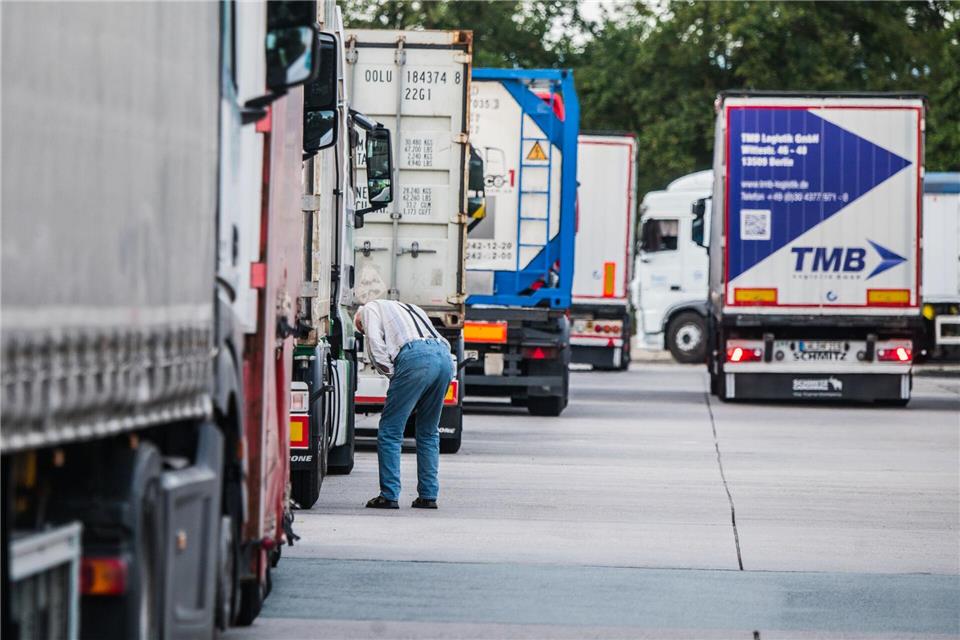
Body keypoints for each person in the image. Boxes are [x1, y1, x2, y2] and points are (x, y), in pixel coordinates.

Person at [354, 299, 453, 509]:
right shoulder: (412, 307)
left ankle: (388, 495)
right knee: (428, 431)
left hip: (414, 358)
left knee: (390, 431)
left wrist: (395, 377)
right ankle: (428, 496)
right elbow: (439, 339)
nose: (363, 331)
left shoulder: (369, 309)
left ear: (359, 319)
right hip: (444, 357)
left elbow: (376, 347)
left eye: (360, 328)